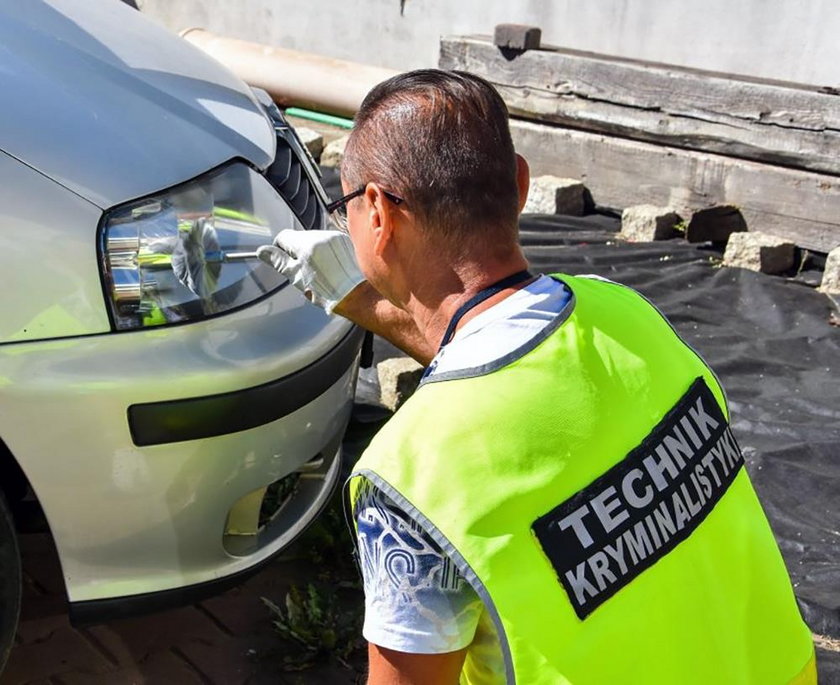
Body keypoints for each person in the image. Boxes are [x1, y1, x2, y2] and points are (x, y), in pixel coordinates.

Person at [257, 70, 815, 685]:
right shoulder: (626, 316)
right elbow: (504, 358)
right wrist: (361, 299)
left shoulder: (413, 476)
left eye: (349, 208)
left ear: (381, 214)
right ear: (521, 184)